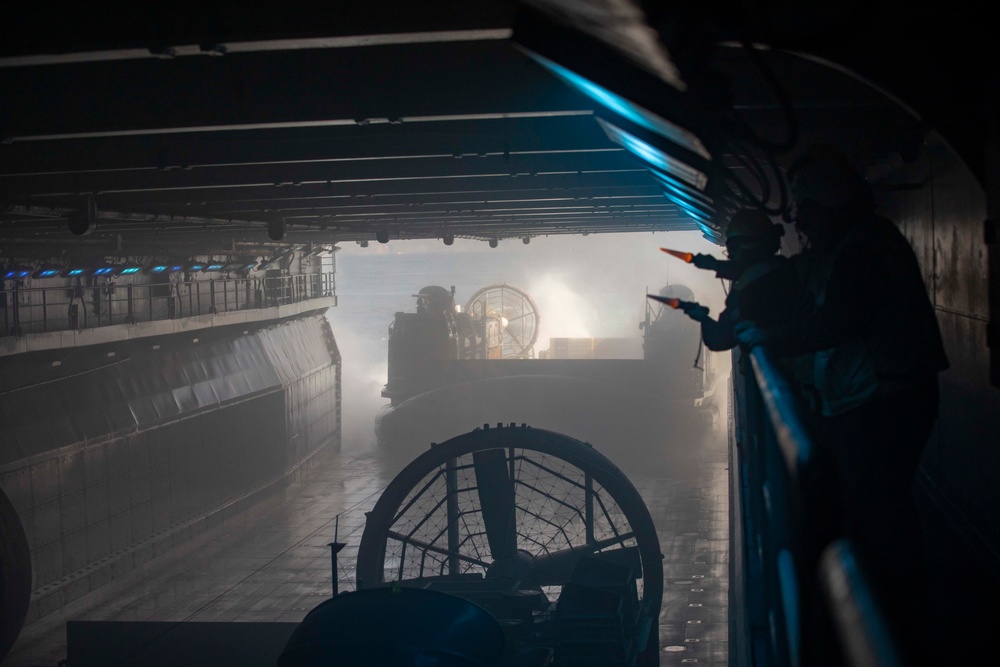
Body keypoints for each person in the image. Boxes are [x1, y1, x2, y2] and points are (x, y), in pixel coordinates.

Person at [736, 144, 949, 664]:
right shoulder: (864, 244)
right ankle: (896, 612)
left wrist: (771, 337)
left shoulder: (861, 252)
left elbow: (839, 322)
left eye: (807, 211)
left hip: (884, 400)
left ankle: (897, 623)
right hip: (885, 395)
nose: (802, 224)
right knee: (879, 508)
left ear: (829, 205)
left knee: (880, 510)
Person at [676, 208, 798, 352]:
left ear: (748, 247)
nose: (729, 256)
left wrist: (703, 317)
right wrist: (715, 265)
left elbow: (720, 339)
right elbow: (742, 269)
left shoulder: (749, 292)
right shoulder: (784, 269)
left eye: (733, 248)